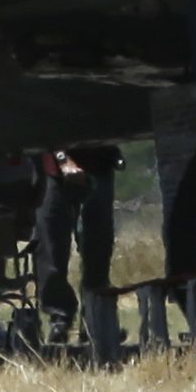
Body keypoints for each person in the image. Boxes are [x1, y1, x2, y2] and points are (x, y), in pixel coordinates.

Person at [29, 143, 121, 353]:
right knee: (50, 243)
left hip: (99, 165)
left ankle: (94, 317)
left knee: (98, 245)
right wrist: (63, 159)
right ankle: (59, 317)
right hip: (55, 171)